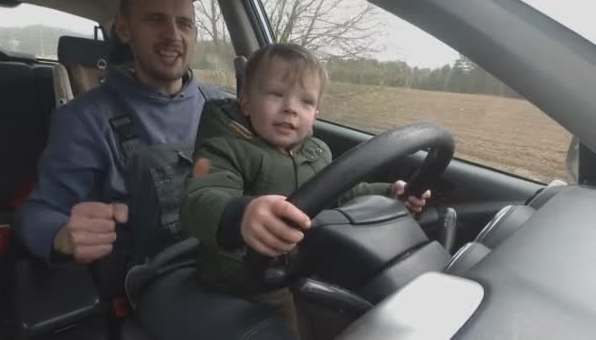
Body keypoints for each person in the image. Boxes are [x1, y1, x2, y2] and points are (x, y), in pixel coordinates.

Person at [180, 43, 431, 332]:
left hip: (300, 269)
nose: (290, 108)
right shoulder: (226, 149)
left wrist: (389, 193)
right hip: (242, 281)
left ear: (315, 114)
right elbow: (198, 200)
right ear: (245, 101)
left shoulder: (316, 152)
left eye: (305, 101)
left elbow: (341, 194)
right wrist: (243, 214)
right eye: (276, 94)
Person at [14, 0, 223, 264]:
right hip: (148, 286)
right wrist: (61, 234)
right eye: (155, 19)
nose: (173, 35)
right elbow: (37, 212)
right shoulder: (84, 119)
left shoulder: (222, 106)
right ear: (125, 30)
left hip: (232, 269)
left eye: (185, 24)